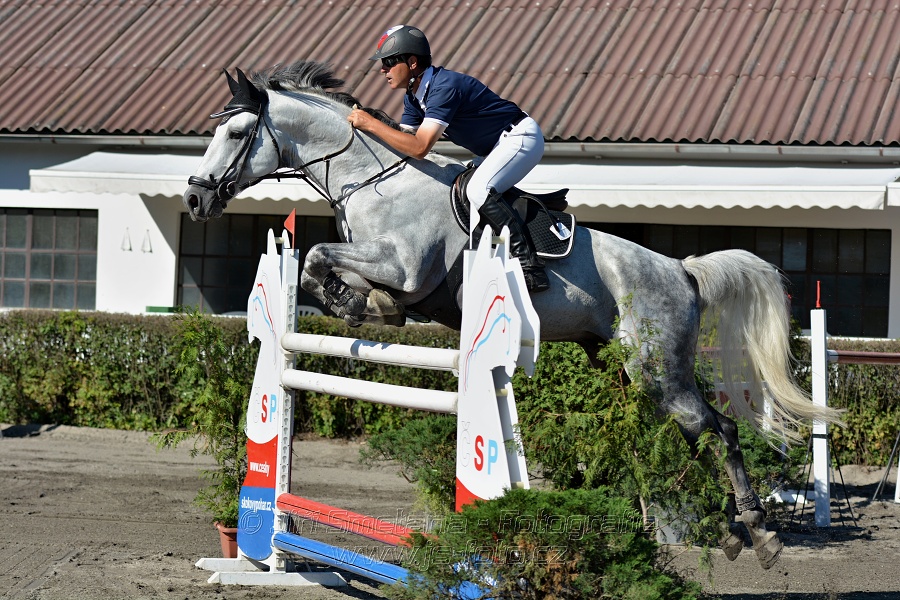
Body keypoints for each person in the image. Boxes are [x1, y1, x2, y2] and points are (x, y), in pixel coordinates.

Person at [347, 25, 549, 293]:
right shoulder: (413, 97)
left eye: (388, 62)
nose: (383, 69)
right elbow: (402, 143)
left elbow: (419, 147)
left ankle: (530, 267)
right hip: (494, 148)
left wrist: (371, 123)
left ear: (412, 62)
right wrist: (367, 128)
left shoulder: (444, 87)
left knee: (478, 190)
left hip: (520, 137)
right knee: (458, 188)